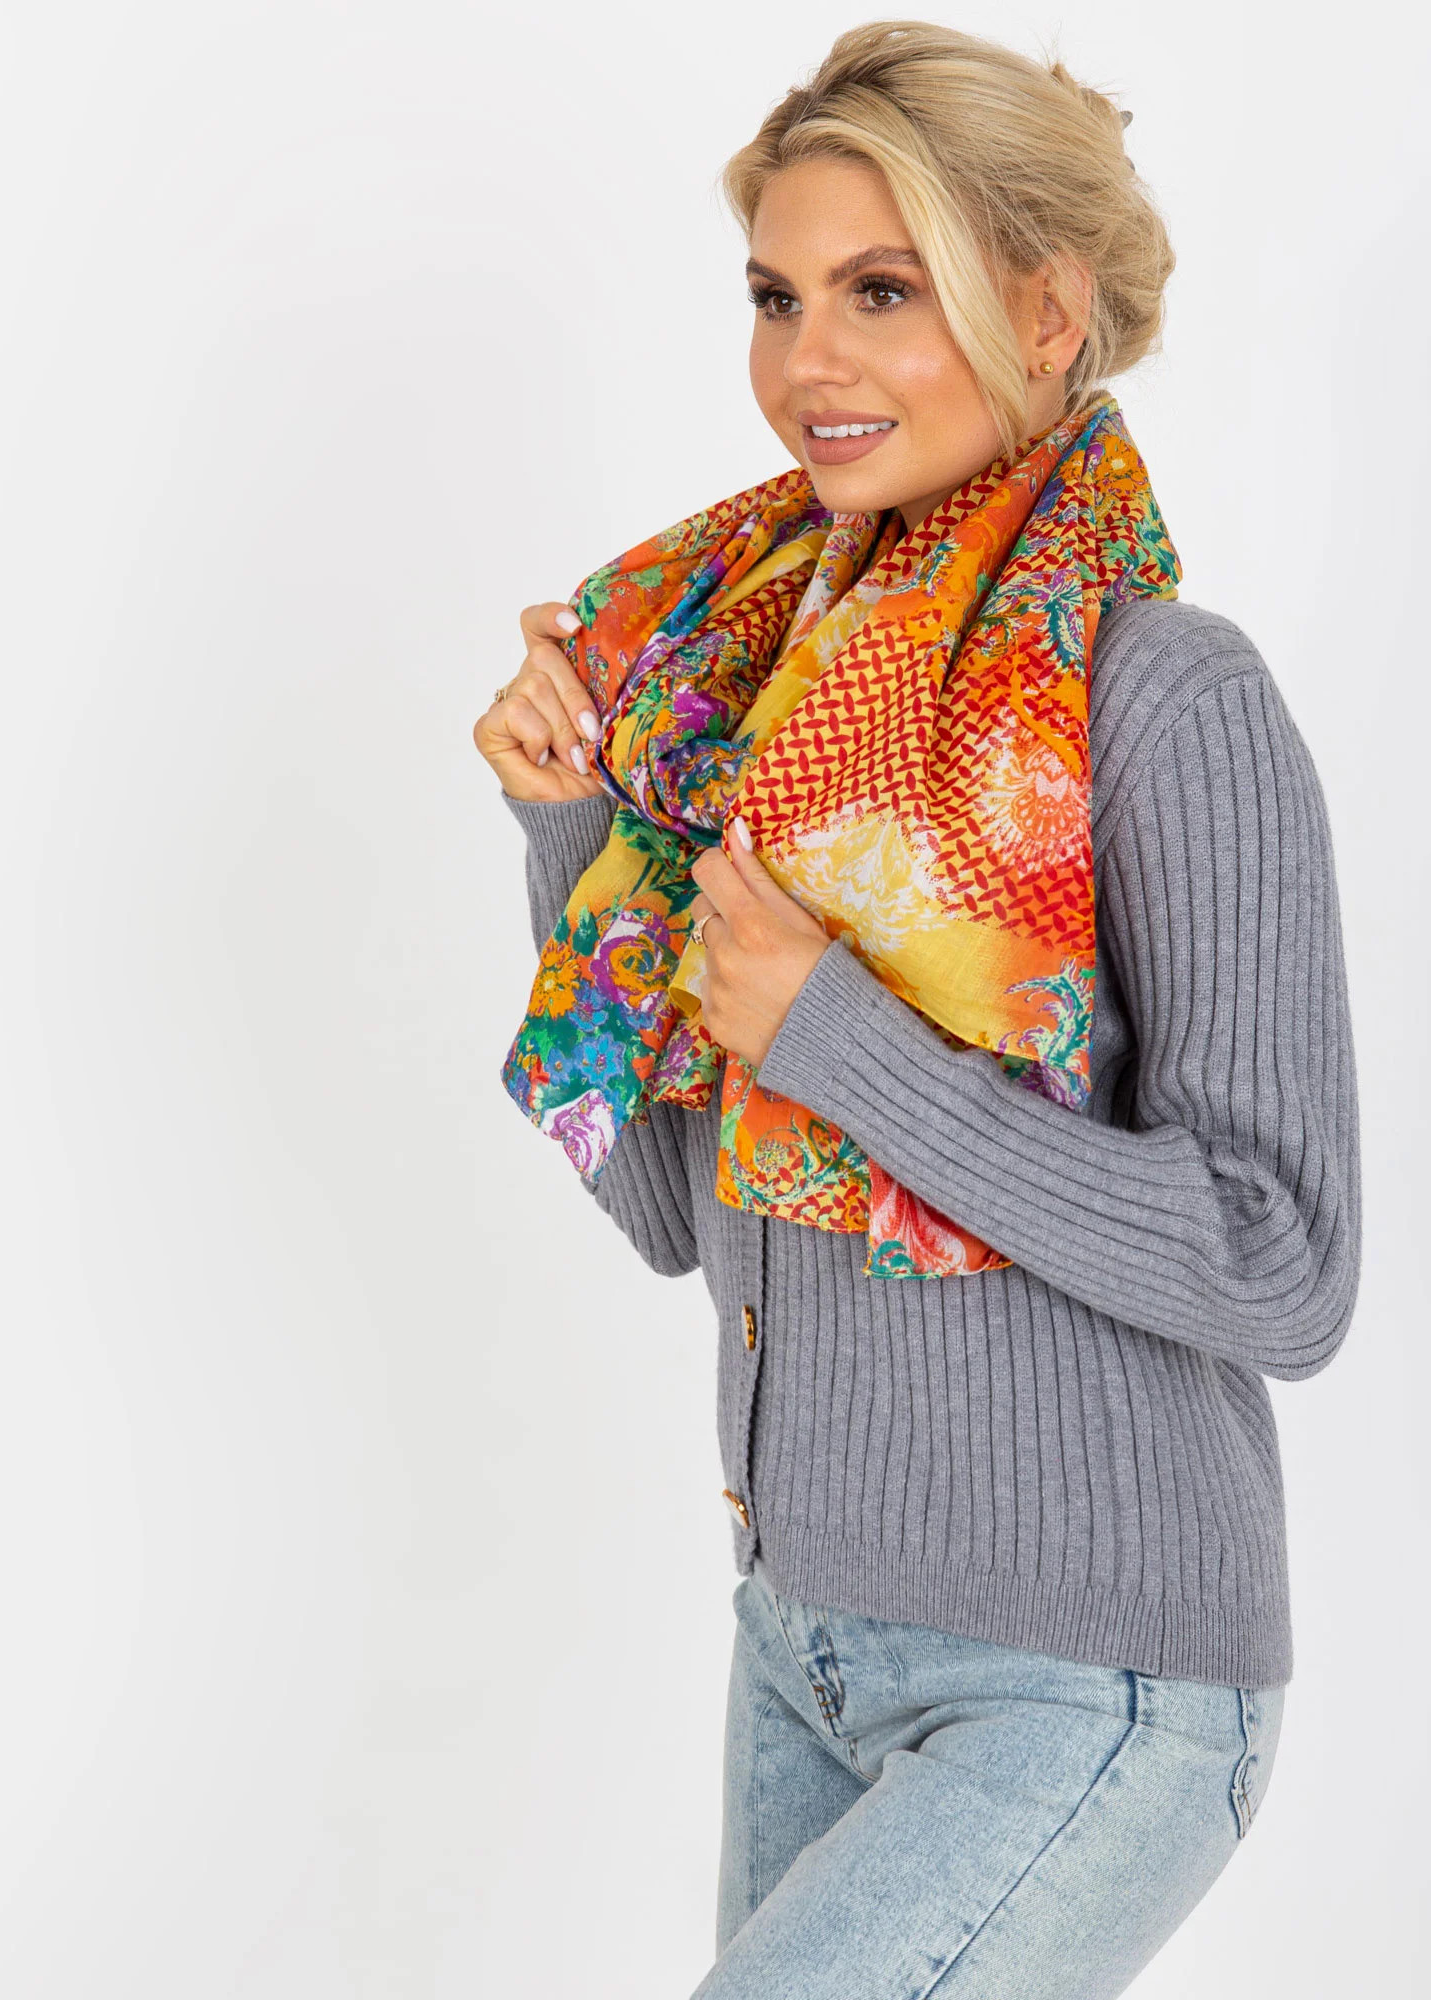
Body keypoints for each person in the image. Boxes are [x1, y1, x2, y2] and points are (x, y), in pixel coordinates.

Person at [472, 21, 1360, 1999]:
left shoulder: (1165, 699)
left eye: (882, 290)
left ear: (1045, 311)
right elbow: (673, 1214)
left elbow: (1286, 1265)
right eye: (777, 296)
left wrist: (842, 1041)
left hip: (1091, 1682)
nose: (810, 360)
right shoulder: (759, 704)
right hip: (802, 1645)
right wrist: (574, 832)